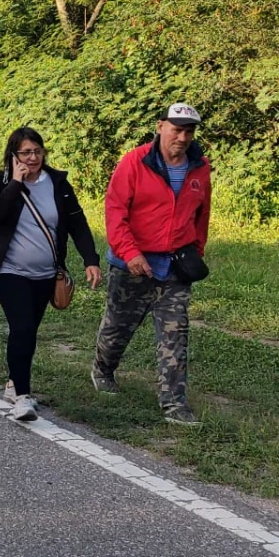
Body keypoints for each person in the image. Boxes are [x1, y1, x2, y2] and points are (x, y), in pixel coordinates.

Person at [91, 103, 212, 426]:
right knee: (117, 329)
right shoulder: (135, 161)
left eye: (189, 131)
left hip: (175, 268)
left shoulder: (200, 167)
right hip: (132, 263)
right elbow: (115, 211)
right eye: (177, 129)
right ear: (160, 126)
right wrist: (130, 253)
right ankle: (102, 369)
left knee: (175, 333)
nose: (183, 137)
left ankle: (174, 403)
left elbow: (202, 216)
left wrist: (195, 253)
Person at [0, 127, 102, 421]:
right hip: (8, 270)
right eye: (25, 152)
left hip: (46, 274)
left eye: (37, 151)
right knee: (22, 327)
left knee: (29, 331)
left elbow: (78, 224)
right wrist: (16, 184)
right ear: (13, 155)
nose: (33, 157)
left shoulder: (58, 183)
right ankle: (22, 396)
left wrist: (91, 259)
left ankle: (13, 382)